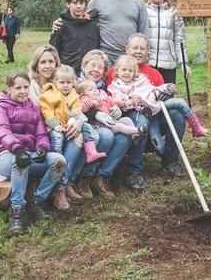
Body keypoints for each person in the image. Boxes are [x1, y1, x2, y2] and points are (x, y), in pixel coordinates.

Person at [0, 70, 65, 236]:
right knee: (21, 162)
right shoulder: (1, 108)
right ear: (9, 88)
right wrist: (17, 149)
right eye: (18, 88)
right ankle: (16, 211)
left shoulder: (34, 109)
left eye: (26, 87)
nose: (23, 91)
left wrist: (43, 147)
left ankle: (35, 202)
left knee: (58, 160)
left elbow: (41, 135)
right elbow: (1, 130)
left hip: (29, 155)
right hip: (6, 157)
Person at [110, 33, 188, 189]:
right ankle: (135, 172)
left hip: (155, 115)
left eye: (142, 48)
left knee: (177, 116)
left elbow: (162, 100)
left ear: (147, 51)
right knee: (142, 120)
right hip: (127, 116)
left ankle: (170, 162)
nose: (138, 51)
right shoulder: (115, 71)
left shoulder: (154, 74)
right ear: (127, 49)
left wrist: (164, 91)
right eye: (135, 47)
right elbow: (108, 97)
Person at [72, 50, 136, 199]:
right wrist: (95, 114)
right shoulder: (76, 84)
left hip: (103, 124)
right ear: (83, 66)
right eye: (92, 65)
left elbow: (110, 102)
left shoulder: (103, 87)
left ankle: (101, 177)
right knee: (106, 136)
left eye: (100, 67)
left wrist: (116, 109)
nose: (96, 70)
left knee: (124, 137)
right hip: (82, 126)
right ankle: (84, 178)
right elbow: (74, 109)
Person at [39, 65, 104, 211]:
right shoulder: (49, 94)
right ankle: (57, 166)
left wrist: (72, 121)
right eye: (62, 82)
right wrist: (56, 125)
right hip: (54, 127)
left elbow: (76, 108)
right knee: (58, 141)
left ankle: (63, 185)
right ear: (55, 82)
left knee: (85, 132)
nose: (65, 85)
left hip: (68, 125)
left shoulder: (73, 94)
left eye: (69, 82)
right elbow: (47, 111)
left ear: (73, 83)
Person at [145, 0, 191, 84]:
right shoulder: (143, 10)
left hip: (168, 64)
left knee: (168, 98)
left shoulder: (173, 11)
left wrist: (183, 63)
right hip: (149, 64)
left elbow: (179, 39)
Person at [50, 0, 100, 74]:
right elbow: (54, 51)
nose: (78, 6)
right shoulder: (60, 25)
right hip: (68, 74)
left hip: (89, 74)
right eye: (75, 3)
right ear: (68, 4)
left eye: (81, 3)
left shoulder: (93, 26)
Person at [77, 78, 145, 141]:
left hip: (111, 119)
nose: (95, 90)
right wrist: (94, 102)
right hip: (100, 124)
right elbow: (84, 109)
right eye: (91, 89)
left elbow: (112, 101)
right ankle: (138, 130)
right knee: (119, 127)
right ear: (83, 94)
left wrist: (123, 103)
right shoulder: (85, 100)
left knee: (127, 119)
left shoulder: (103, 96)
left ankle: (135, 136)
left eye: (96, 88)